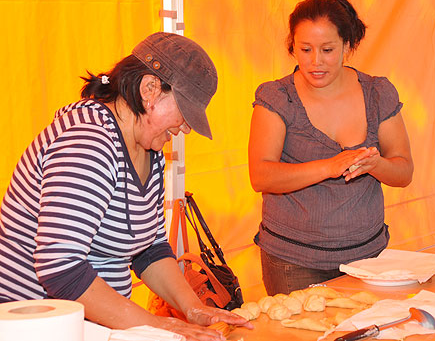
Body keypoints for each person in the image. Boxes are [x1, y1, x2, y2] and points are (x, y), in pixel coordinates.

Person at [0, 32, 251, 341]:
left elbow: (150, 249)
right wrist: (155, 325)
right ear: (149, 89)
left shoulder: (150, 151)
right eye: (184, 112)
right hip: (34, 328)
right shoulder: (88, 142)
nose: (186, 128)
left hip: (93, 328)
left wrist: (194, 308)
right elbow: (60, 268)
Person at [248, 0, 414, 295]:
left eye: (327, 50)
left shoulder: (377, 93)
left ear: (347, 46)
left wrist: (376, 165)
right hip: (293, 261)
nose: (315, 62)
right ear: (292, 47)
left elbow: (403, 172)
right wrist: (329, 166)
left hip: (367, 256)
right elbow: (261, 176)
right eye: (305, 49)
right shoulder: (277, 98)